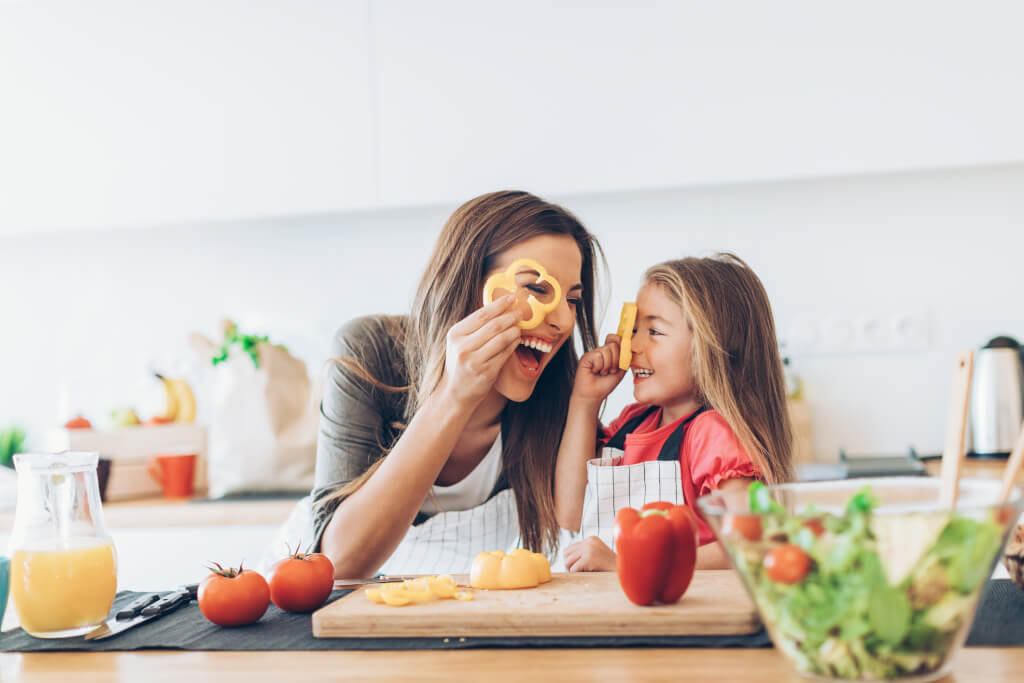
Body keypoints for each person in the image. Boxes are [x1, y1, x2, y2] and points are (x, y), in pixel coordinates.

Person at [310, 191, 604, 578]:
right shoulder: (370, 350)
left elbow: (576, 522)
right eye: (536, 290)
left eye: (573, 300)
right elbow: (340, 565)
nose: (563, 321)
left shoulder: (560, 393)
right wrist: (454, 395)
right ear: (467, 283)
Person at [554, 253, 793, 571]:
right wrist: (585, 401)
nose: (633, 346)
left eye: (653, 332)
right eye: (634, 330)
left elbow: (752, 543)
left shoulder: (712, 434)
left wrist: (630, 563)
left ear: (710, 348)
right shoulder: (632, 424)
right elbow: (571, 513)